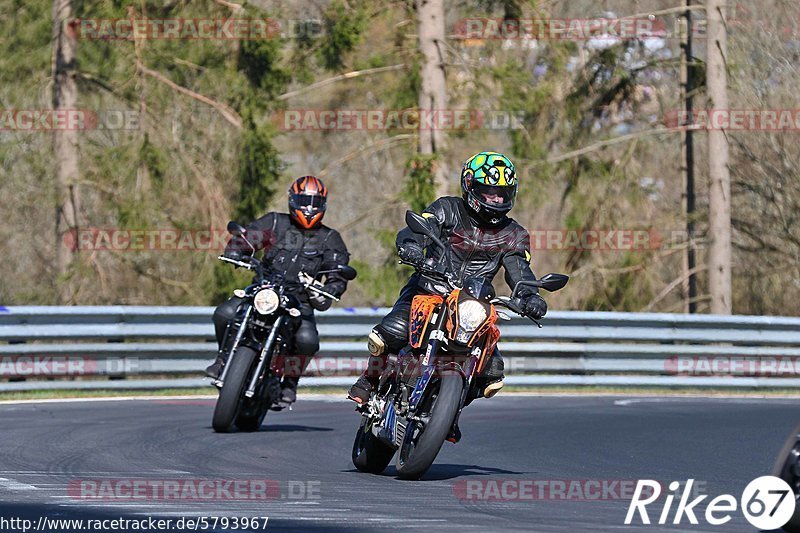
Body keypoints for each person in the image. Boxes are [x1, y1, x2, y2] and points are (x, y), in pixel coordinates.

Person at [348, 151, 548, 412]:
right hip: (429, 289)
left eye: (502, 193)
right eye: (488, 192)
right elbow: (418, 229)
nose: (496, 199)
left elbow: (519, 270)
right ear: (470, 186)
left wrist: (531, 297)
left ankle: (446, 413)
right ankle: (370, 379)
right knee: (390, 334)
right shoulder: (447, 208)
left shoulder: (514, 234)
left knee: (492, 373)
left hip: (473, 305)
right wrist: (411, 246)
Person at [206, 176, 351, 404]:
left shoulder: (330, 238)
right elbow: (248, 238)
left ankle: (290, 383)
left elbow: (338, 271)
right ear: (293, 200)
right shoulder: (274, 223)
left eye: (315, 202)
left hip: (299, 300)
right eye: (304, 200)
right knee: (224, 313)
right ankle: (223, 360)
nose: (309, 207)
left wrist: (331, 286)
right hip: (264, 289)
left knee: (307, 340)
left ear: (323, 204)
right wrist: (237, 250)